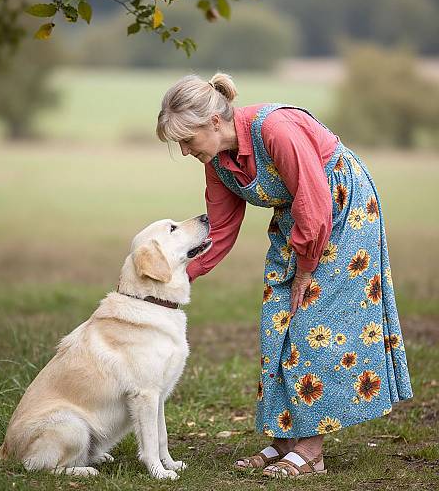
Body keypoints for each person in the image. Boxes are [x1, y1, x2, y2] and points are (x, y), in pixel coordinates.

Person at [155, 73, 413, 478]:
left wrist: (306, 270)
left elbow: (314, 199)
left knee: (316, 324)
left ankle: (312, 451)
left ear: (214, 123)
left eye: (187, 140)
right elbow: (219, 232)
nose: (186, 151)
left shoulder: (276, 130)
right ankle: (285, 439)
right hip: (299, 220)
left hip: (341, 211)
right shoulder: (219, 162)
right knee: (278, 319)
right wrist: (173, 277)